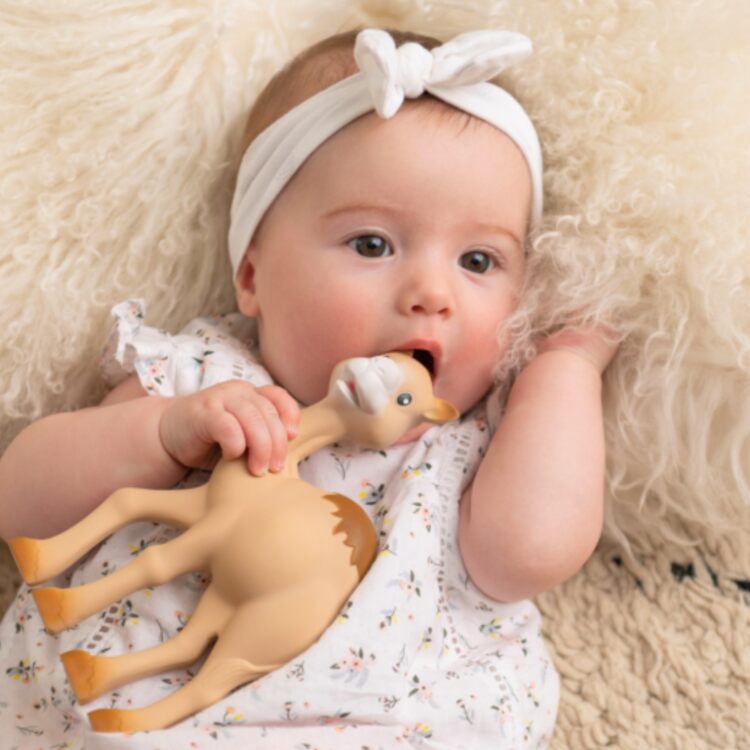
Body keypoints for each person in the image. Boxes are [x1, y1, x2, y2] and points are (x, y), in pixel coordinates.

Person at [0, 26, 616, 749]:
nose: (431, 293)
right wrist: (160, 433)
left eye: (478, 260)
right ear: (254, 277)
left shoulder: (477, 440)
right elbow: (21, 502)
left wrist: (565, 367)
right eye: (372, 245)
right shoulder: (204, 376)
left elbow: (532, 553)